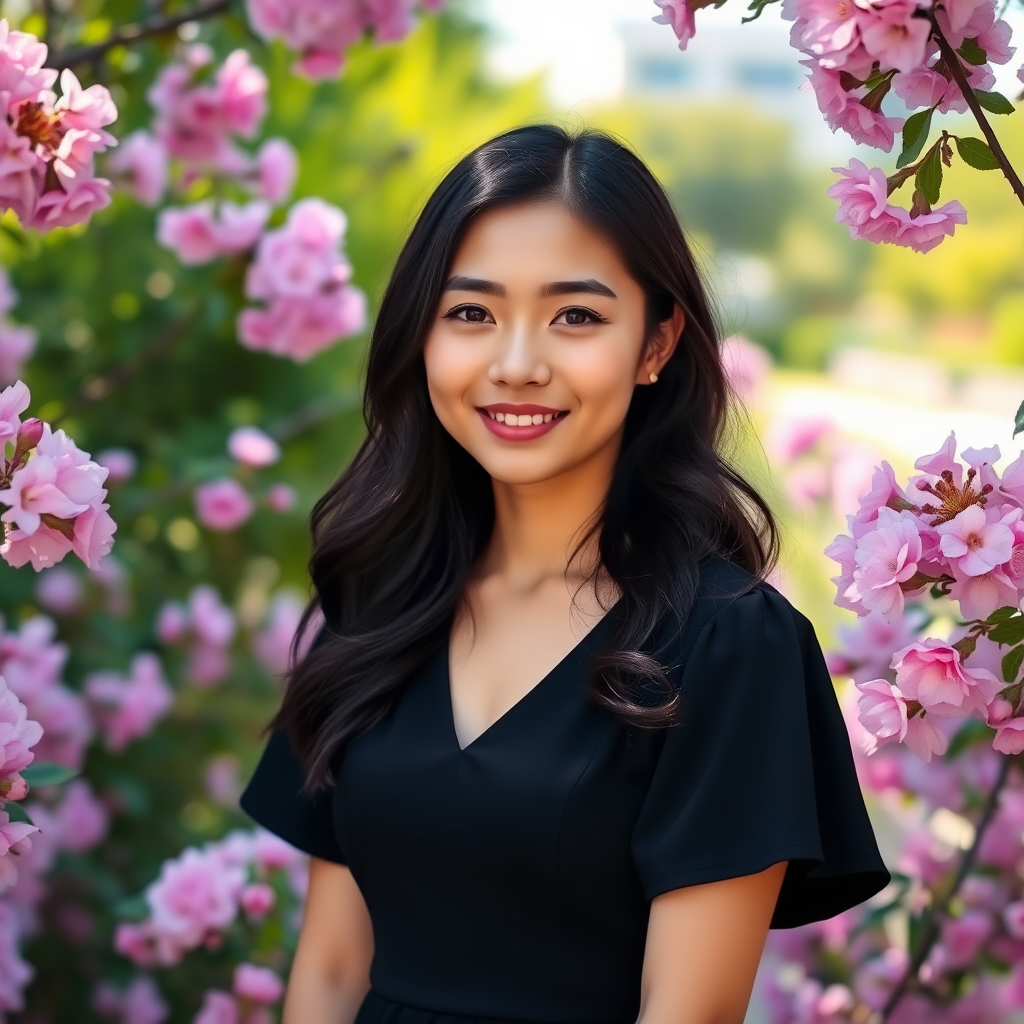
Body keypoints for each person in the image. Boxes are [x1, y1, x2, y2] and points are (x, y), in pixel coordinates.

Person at [239, 124, 890, 1024]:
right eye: (471, 313)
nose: (517, 365)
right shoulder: (378, 602)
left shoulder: (732, 644)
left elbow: (687, 1011)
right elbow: (330, 971)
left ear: (656, 344)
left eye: (576, 316)